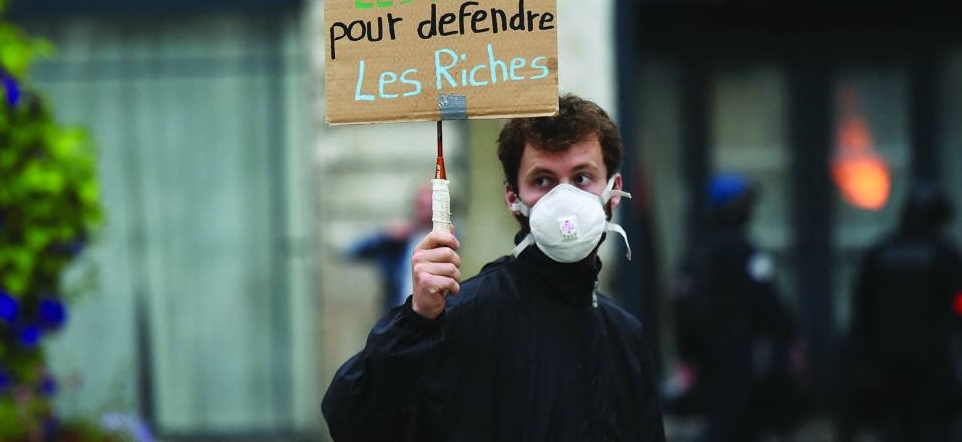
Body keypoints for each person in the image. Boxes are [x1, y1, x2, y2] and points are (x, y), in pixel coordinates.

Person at [322, 94, 666, 441]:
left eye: (581, 178)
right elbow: (355, 422)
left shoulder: (625, 338)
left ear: (614, 190)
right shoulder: (464, 316)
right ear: (512, 197)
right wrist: (416, 320)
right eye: (543, 181)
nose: (565, 202)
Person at [671, 173, 805, 442]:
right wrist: (789, 338)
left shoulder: (696, 253)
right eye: (743, 203)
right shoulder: (743, 252)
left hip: (708, 359)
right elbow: (768, 302)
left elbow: (680, 306)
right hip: (739, 357)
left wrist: (687, 356)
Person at [844, 179, 962, 442]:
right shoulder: (943, 253)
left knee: (895, 425)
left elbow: (862, 307)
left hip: (886, 358)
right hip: (933, 357)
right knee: (935, 427)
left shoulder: (879, 252)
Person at [345, 183, 433, 311]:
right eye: (421, 205)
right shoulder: (399, 242)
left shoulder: (452, 238)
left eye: (430, 205)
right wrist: (385, 235)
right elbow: (352, 250)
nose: (426, 211)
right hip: (400, 315)